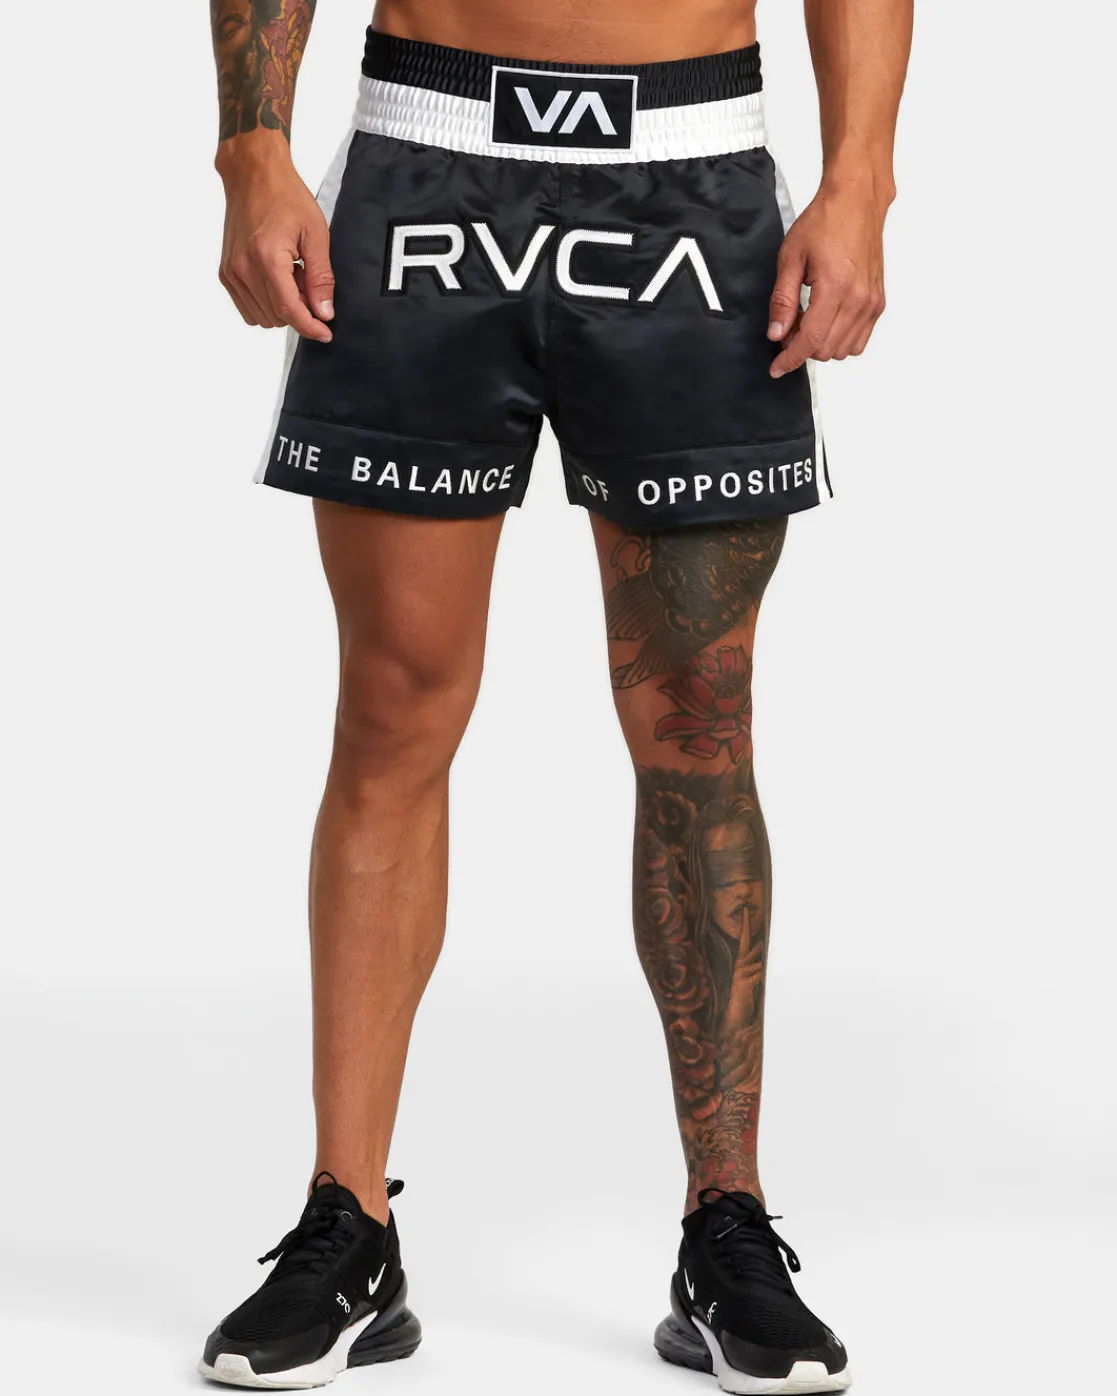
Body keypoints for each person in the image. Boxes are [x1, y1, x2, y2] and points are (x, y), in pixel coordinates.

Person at [199, 0, 910, 1389]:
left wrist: (861, 178)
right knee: (393, 705)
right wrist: (252, 151)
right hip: (429, 164)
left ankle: (727, 1226)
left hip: (690, 181)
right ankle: (349, 1223)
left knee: (699, 723)